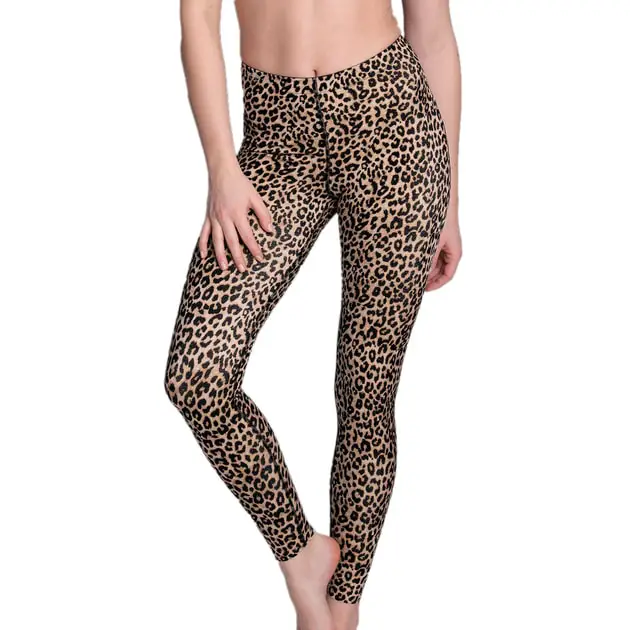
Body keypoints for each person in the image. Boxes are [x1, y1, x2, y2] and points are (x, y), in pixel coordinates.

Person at [164, 0, 462, 628]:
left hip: (394, 126)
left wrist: (450, 204)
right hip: (274, 139)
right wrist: (221, 166)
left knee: (366, 392)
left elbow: (432, 31)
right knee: (197, 375)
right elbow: (197, 20)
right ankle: (303, 558)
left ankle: (340, 612)